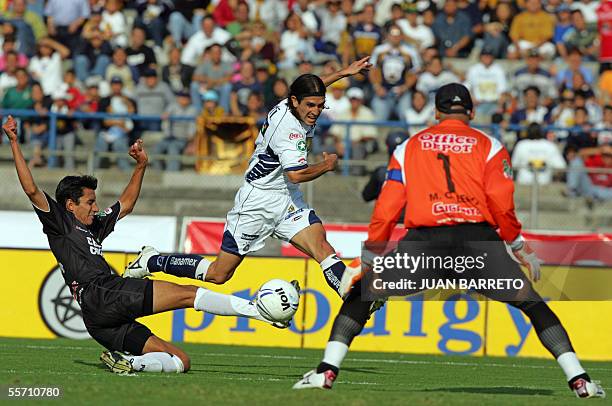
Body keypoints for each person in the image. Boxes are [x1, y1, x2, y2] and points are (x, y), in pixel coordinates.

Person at [292, 83, 606, 399]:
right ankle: (580, 381)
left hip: (425, 244)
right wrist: (518, 246)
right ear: (470, 111)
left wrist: (373, 254)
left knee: (361, 296)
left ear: (436, 112)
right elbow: (502, 203)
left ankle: (325, 373)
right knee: (534, 305)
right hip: (477, 243)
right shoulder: (490, 146)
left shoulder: (408, 147)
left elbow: (387, 208)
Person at [2, 115, 285, 375]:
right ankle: (258, 311)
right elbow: (30, 189)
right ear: (70, 205)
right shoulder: (61, 223)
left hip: (98, 319)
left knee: (180, 362)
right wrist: (14, 141)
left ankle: (129, 363)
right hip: (104, 293)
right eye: (90, 202)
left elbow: (124, 205)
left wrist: (141, 166)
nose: (95, 207)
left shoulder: (93, 226)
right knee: (189, 294)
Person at [123, 57, 374, 302]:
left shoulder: (290, 103)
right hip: (257, 203)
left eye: (320, 105)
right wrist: (327, 165)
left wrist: (344, 72)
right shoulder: (289, 130)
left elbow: (314, 84)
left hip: (286, 199)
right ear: (295, 101)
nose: (316, 111)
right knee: (218, 274)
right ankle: (151, 260)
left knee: (322, 246)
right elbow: (296, 173)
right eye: (311, 105)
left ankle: (352, 294)